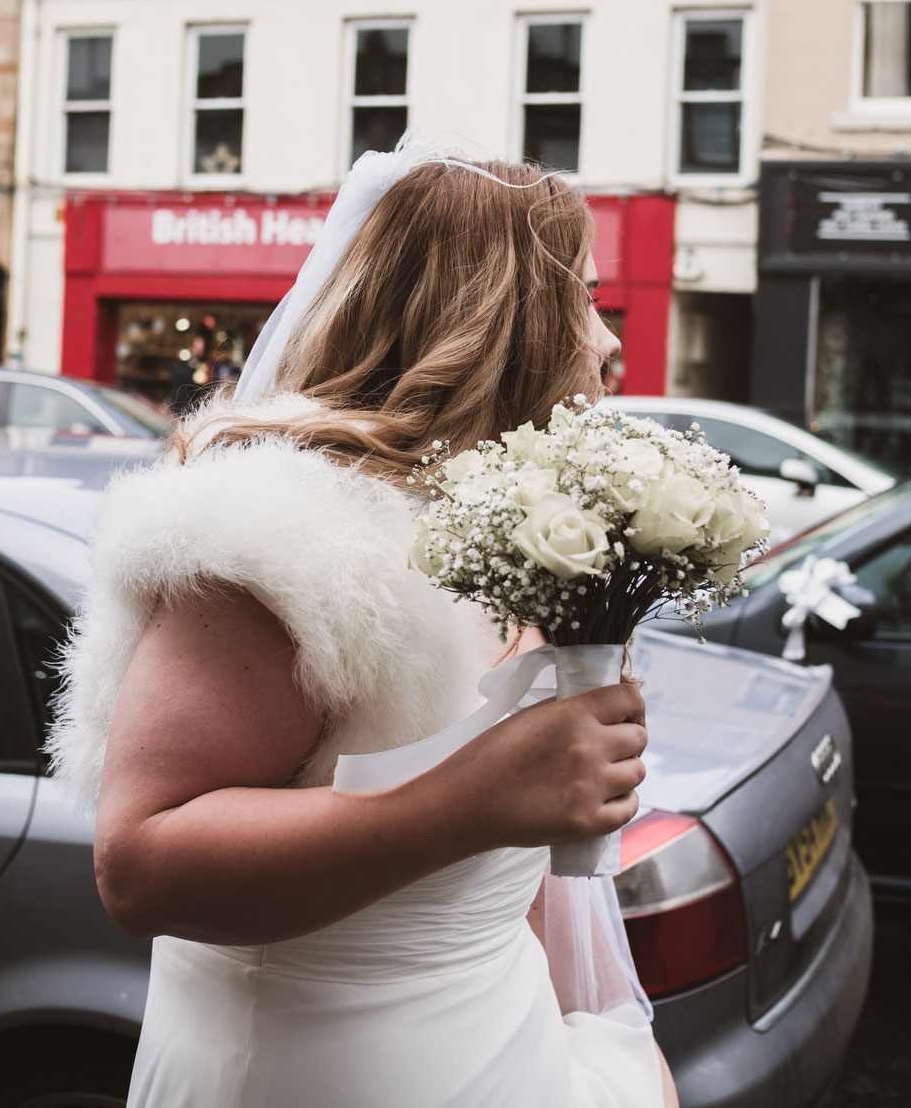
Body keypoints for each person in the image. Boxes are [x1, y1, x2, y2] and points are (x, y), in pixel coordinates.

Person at [49, 135, 678, 1108]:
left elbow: (519, 881)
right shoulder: (279, 540)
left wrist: (595, 1049)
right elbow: (140, 865)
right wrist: (471, 801)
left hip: (506, 1050)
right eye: (585, 300)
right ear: (494, 317)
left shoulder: (514, 534)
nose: (605, 342)